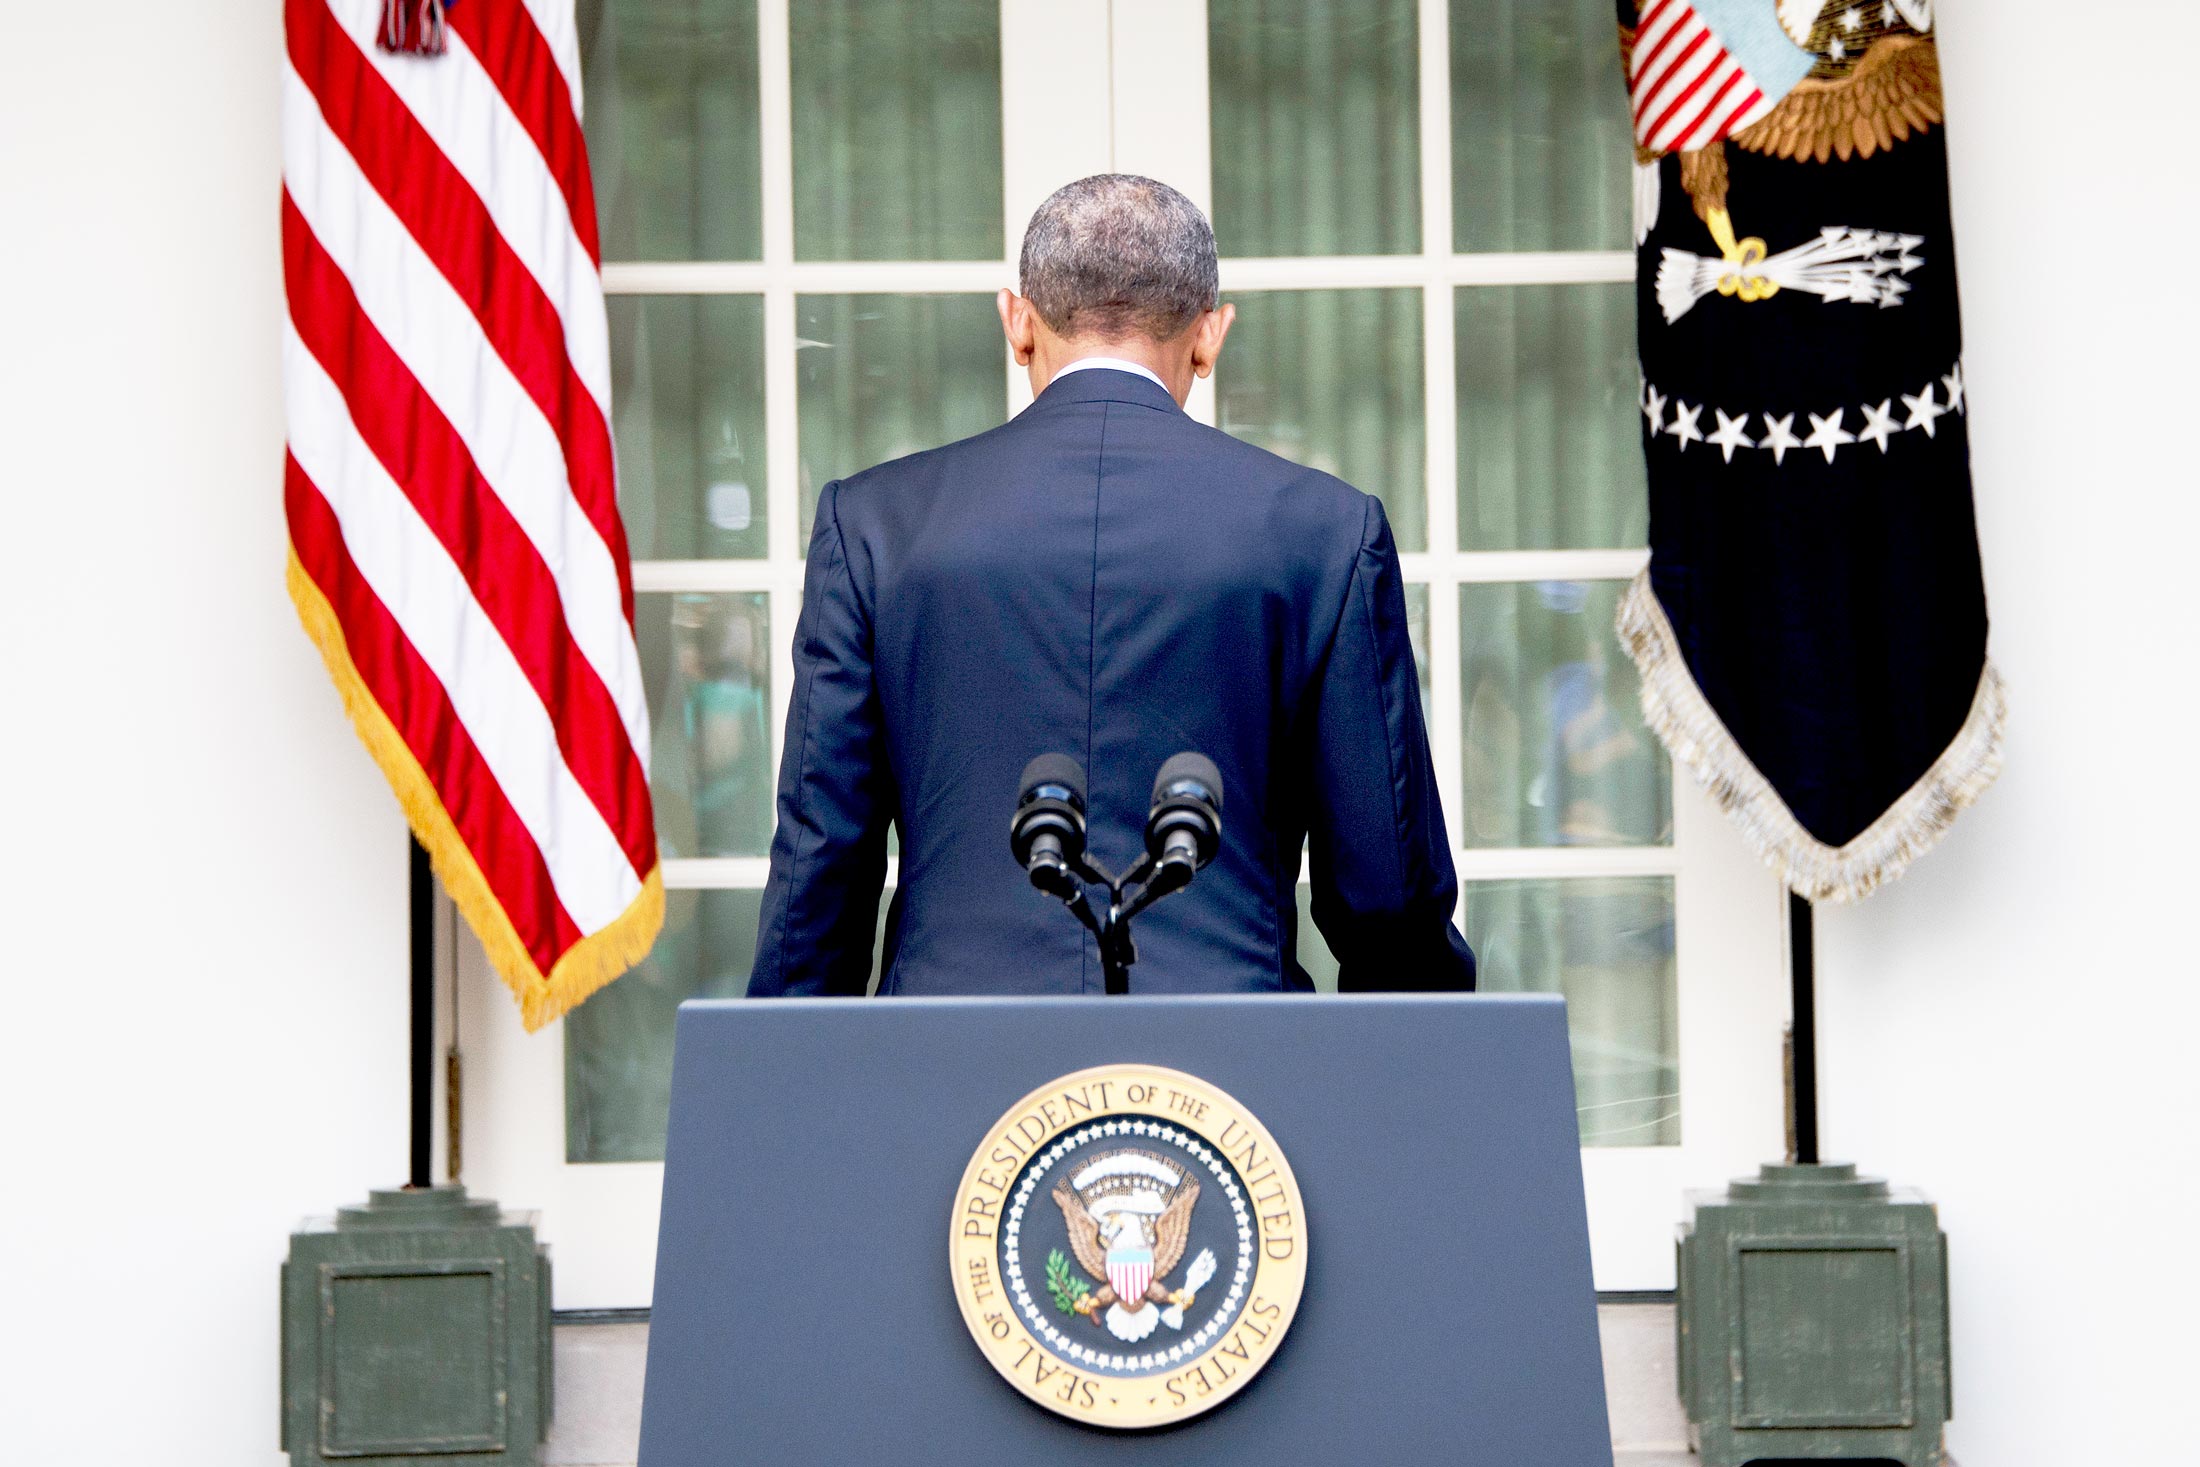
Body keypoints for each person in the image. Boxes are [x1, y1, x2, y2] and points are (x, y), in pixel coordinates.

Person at [748, 175, 1474, 997]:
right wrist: (1429, 1063)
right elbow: (1390, 899)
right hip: (1232, 1062)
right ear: (1209, 337)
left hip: (945, 1055)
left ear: (1017, 324)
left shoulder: (878, 524)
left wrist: (781, 1065)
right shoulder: (1325, 528)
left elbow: (818, 877)